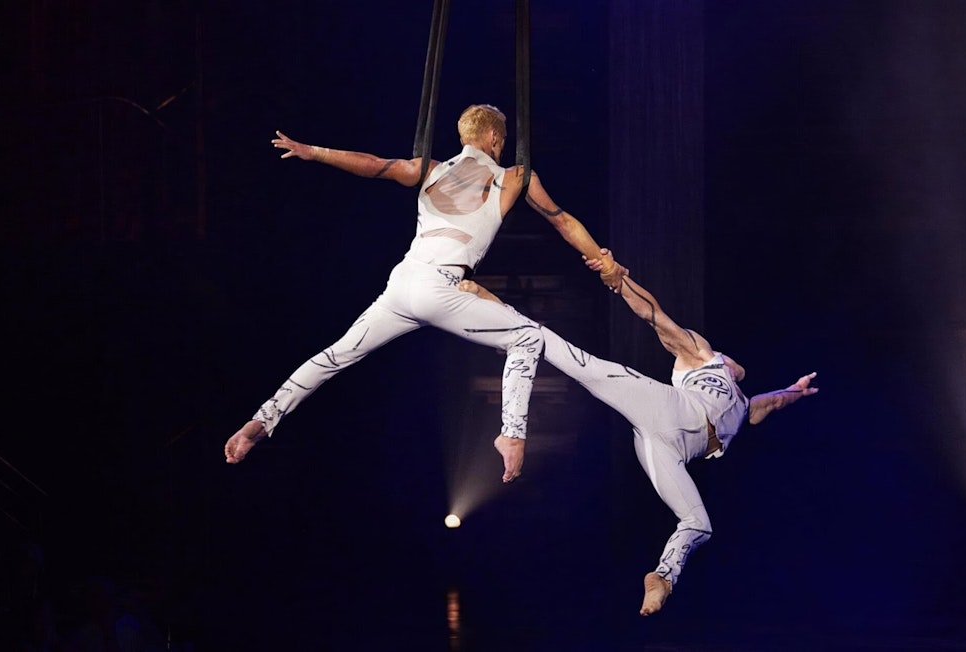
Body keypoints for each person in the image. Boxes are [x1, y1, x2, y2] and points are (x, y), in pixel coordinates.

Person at [224, 104, 625, 482]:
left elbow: (374, 165)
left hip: (402, 284)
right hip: (441, 288)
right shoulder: (513, 177)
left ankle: (260, 422)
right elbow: (564, 223)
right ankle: (513, 434)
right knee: (527, 337)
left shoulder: (427, 170)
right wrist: (605, 264)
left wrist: (314, 151)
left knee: (336, 355)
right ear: (494, 138)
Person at [457, 248, 818, 615]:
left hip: (671, 448)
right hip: (670, 409)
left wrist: (795, 391)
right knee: (579, 362)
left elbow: (769, 404)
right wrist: (619, 280)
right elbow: (655, 317)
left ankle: (662, 577)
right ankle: (494, 308)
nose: (735, 363)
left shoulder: (742, 405)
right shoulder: (702, 355)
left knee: (699, 524)